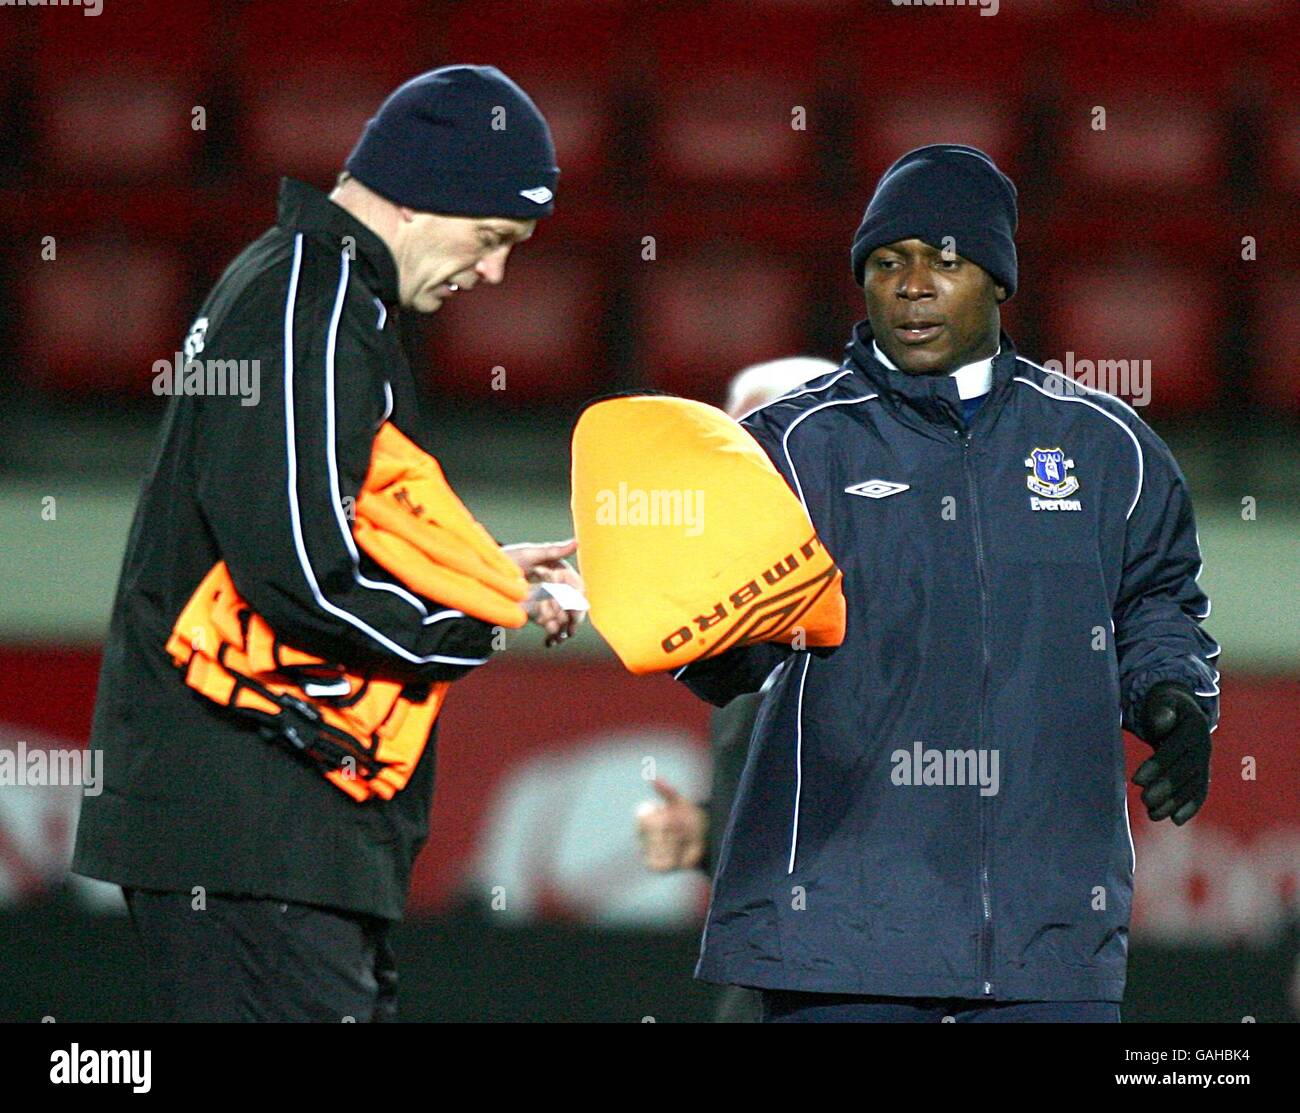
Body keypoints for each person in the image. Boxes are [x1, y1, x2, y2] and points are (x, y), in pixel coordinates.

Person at [70, 65, 584, 1022]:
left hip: (268, 835)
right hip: (256, 827)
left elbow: (311, 526)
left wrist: (470, 570)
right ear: (427, 194)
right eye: (493, 237)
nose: (496, 272)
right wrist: (476, 612)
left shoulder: (314, 290)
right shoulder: (314, 299)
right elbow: (299, 571)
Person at [674, 144, 1220, 1023]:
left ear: (1000, 281)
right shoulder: (785, 446)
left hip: (1047, 947)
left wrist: (1174, 699)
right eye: (887, 263)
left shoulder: (1105, 444)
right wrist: (721, 643)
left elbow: (1158, 597)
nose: (912, 285)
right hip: (838, 945)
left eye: (946, 260)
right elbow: (714, 641)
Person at [636, 357, 837, 1023]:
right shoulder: (749, 617)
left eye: (760, 444)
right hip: (768, 971)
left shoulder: (889, 596)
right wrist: (709, 828)